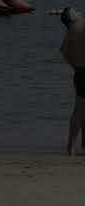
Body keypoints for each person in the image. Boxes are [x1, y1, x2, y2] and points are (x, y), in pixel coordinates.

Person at [59, 7, 85, 155]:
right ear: (72, 15)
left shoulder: (72, 30)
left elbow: (64, 52)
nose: (79, 11)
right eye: (75, 10)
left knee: (80, 110)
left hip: (80, 72)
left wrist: (75, 65)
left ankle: (71, 146)